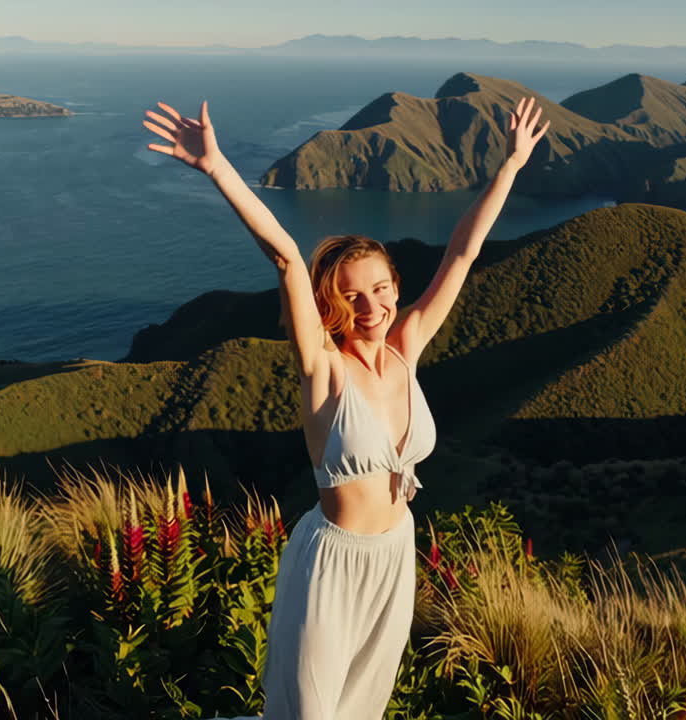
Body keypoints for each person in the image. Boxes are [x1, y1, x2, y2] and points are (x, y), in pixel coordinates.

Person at [143, 96, 549, 720]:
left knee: (361, 709)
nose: (371, 307)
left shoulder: (407, 349)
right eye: (351, 295)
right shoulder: (323, 369)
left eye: (381, 288)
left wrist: (511, 166)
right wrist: (219, 168)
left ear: (395, 288)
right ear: (330, 302)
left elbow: (463, 254)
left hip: (395, 555)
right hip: (331, 564)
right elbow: (284, 256)